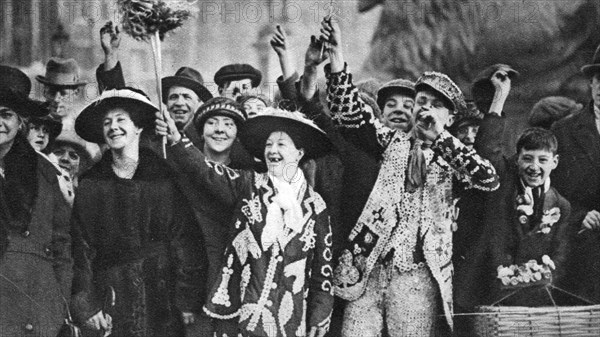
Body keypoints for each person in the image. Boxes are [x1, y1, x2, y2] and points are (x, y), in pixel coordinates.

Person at [320, 16, 499, 335]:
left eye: (435, 105)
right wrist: (336, 59)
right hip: (369, 269)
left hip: (417, 278)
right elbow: (350, 115)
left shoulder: (455, 156)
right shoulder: (391, 141)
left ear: (451, 115)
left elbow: (487, 178)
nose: (425, 110)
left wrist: (440, 138)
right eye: (422, 102)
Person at [156, 107, 335, 337]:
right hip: (239, 315)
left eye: (281, 144)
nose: (273, 150)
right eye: (269, 145)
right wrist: (178, 141)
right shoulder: (248, 184)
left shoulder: (316, 205)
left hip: (288, 321)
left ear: (299, 153)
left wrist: (320, 312)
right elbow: (208, 171)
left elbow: (323, 267)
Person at [70, 88, 202, 336]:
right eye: (107, 122)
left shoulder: (163, 177)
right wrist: (86, 304)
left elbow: (185, 241)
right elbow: (81, 246)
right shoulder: (91, 183)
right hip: (110, 294)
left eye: (121, 120)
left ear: (138, 128)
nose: (113, 127)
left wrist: (187, 299)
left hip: (163, 296)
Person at [457, 128, 572, 309]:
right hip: (491, 295)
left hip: (534, 300)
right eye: (527, 158)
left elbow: (560, 255)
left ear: (555, 162)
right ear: (517, 159)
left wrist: (539, 279)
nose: (534, 167)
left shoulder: (561, 205)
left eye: (542, 160)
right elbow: (487, 149)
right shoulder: (502, 187)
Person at [0, 68, 73, 337]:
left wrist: (59, 299)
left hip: (37, 302)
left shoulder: (44, 171)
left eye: (6, 115)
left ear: (21, 122)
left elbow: (62, 241)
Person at [552, 43, 600, 303]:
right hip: (582, 254)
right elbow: (551, 192)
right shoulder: (564, 131)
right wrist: (581, 216)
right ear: (591, 84)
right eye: (598, 79)